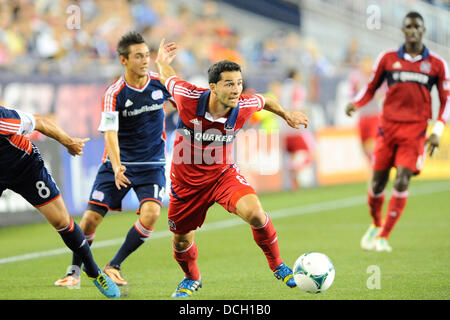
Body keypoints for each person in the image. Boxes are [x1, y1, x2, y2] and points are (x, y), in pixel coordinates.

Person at [155, 39, 309, 298]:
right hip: (186, 181)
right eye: (229, 84)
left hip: (222, 175)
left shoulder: (244, 106)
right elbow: (168, 77)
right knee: (181, 240)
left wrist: (287, 114)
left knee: (257, 214)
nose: (237, 89)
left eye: (238, 83)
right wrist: (160, 62)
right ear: (213, 87)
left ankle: (278, 265)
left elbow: (265, 101)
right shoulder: (188, 97)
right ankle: (191, 278)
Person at [55, 31, 175, 287]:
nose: (145, 60)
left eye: (147, 55)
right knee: (89, 220)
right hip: (116, 165)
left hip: (152, 164)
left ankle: (114, 265)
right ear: (124, 60)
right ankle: (74, 272)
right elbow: (110, 131)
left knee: (152, 213)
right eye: (138, 56)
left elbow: (185, 97)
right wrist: (118, 165)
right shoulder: (114, 93)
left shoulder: (160, 83)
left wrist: (166, 67)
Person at [346, 11, 449, 252]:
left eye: (417, 27)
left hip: (415, 132)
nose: (413, 30)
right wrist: (355, 103)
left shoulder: (436, 64)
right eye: (409, 27)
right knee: (377, 184)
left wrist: (438, 129)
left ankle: (384, 236)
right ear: (403, 30)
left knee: (402, 179)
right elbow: (370, 87)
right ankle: (375, 223)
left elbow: (446, 99)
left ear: (423, 30)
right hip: (387, 129)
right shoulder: (388, 58)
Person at [0, 106, 120, 298]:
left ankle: (93, 271)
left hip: (25, 167)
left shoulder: (3, 119)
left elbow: (40, 121)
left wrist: (69, 142)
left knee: (61, 222)